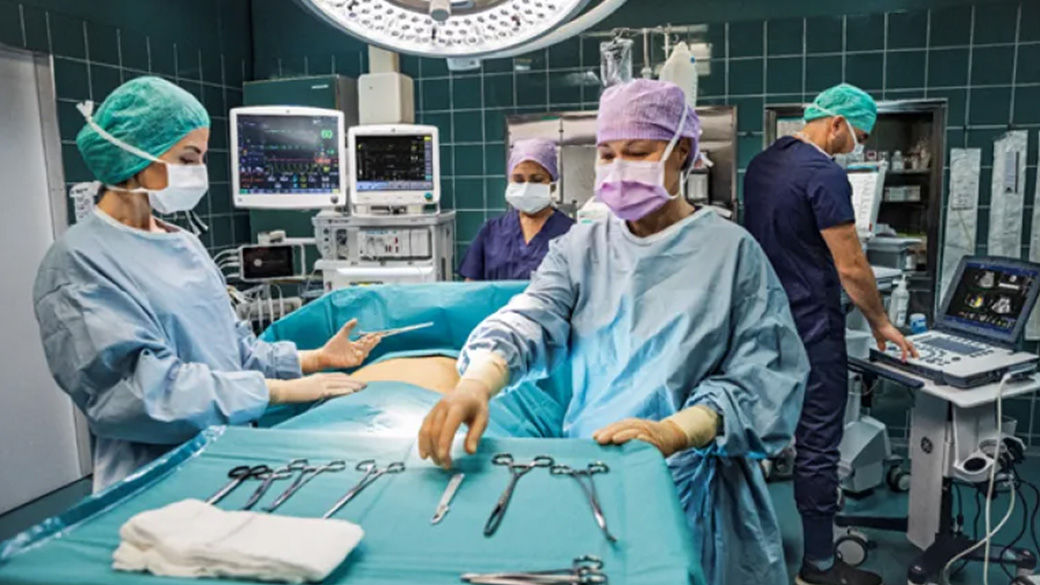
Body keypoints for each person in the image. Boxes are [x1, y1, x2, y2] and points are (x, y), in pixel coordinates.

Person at [416, 79, 809, 585]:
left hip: (695, 486)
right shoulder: (581, 246)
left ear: (681, 153)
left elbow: (765, 378)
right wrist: (479, 380)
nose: (619, 167)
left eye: (638, 152)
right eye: (607, 153)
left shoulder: (733, 253)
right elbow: (532, 317)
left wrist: (675, 432)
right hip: (591, 468)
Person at [33, 77, 380, 491]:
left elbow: (233, 350)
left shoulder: (183, 244)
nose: (198, 173)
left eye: (201, 159)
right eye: (186, 158)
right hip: (156, 478)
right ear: (132, 156)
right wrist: (278, 393)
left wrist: (312, 360)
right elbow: (139, 396)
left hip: (234, 456)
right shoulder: (78, 262)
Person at [743, 82, 917, 585]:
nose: (856, 146)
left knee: (755, 436)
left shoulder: (762, 164)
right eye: (857, 135)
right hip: (811, 325)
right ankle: (818, 566)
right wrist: (882, 322)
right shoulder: (824, 174)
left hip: (761, 323)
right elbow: (853, 267)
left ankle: (746, 545)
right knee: (818, 445)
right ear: (836, 123)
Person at [457, 138, 574, 280]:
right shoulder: (491, 231)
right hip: (499, 304)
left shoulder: (571, 234)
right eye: (518, 180)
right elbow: (471, 285)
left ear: (552, 185)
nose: (526, 187)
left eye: (537, 179)